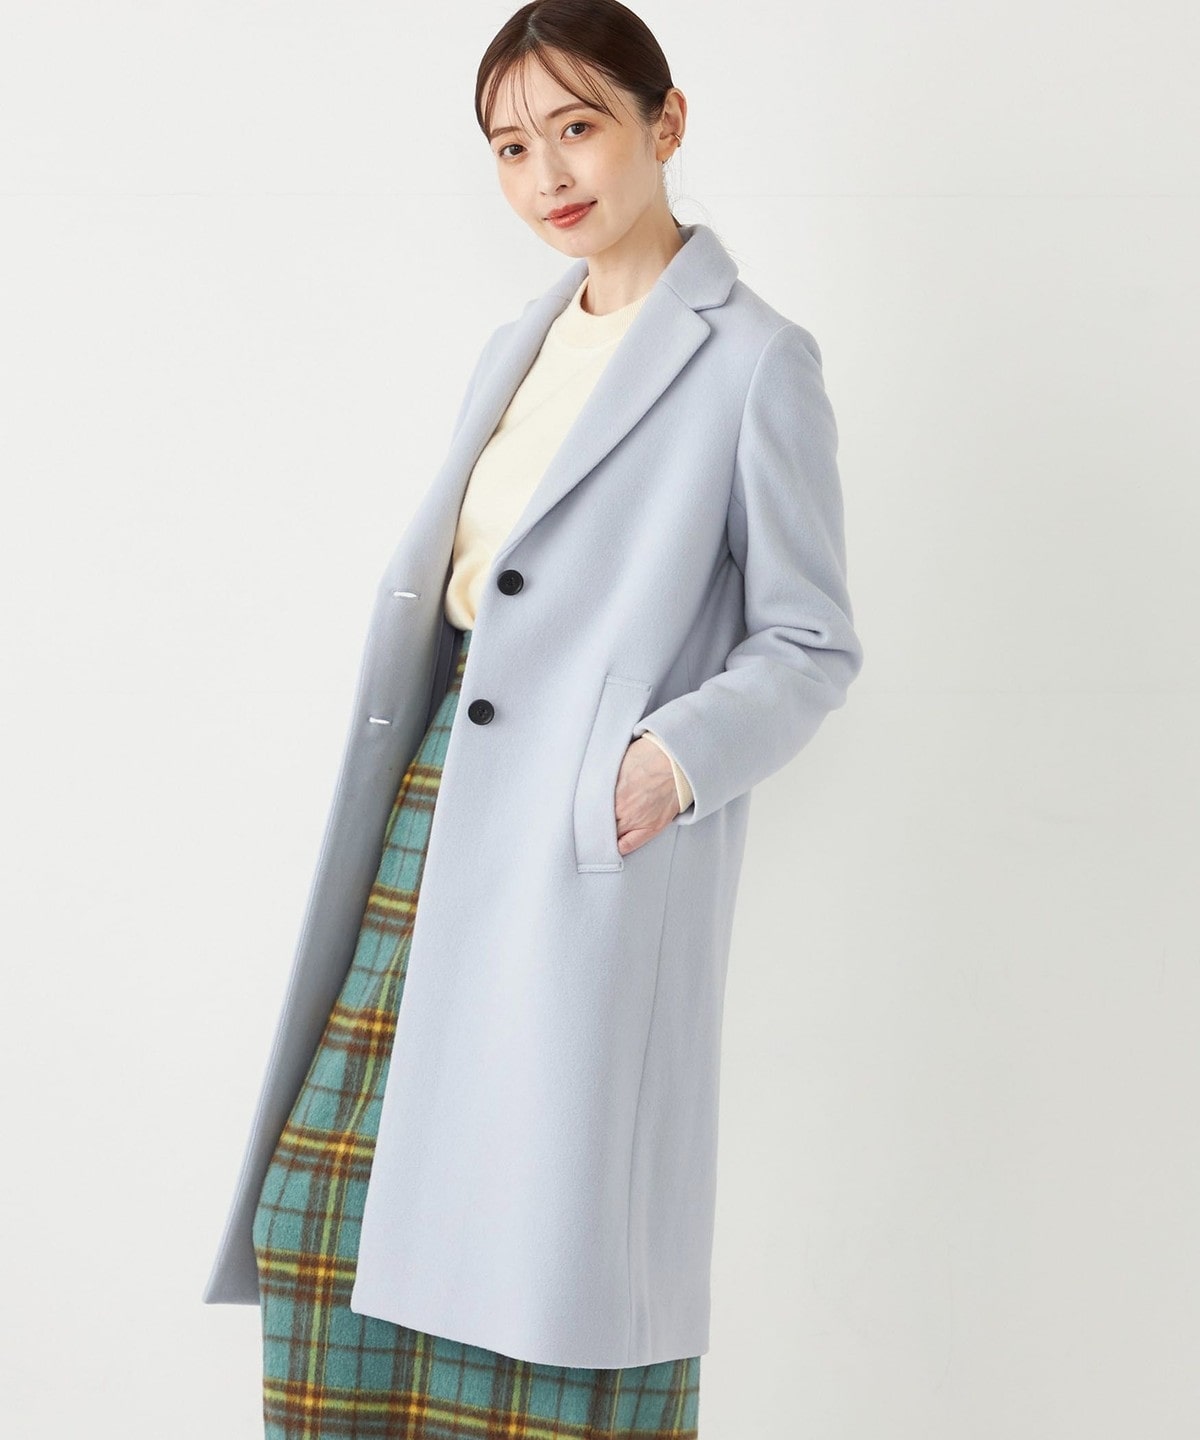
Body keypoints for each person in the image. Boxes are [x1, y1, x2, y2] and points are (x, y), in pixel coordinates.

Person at [202, 1, 865, 1435]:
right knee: (325, 1207)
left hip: (578, 841)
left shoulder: (755, 358)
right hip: (433, 804)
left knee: (542, 1253)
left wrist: (665, 764)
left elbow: (811, 642)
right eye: (511, 147)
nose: (548, 174)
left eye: (577, 127)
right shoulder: (518, 339)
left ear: (664, 123)